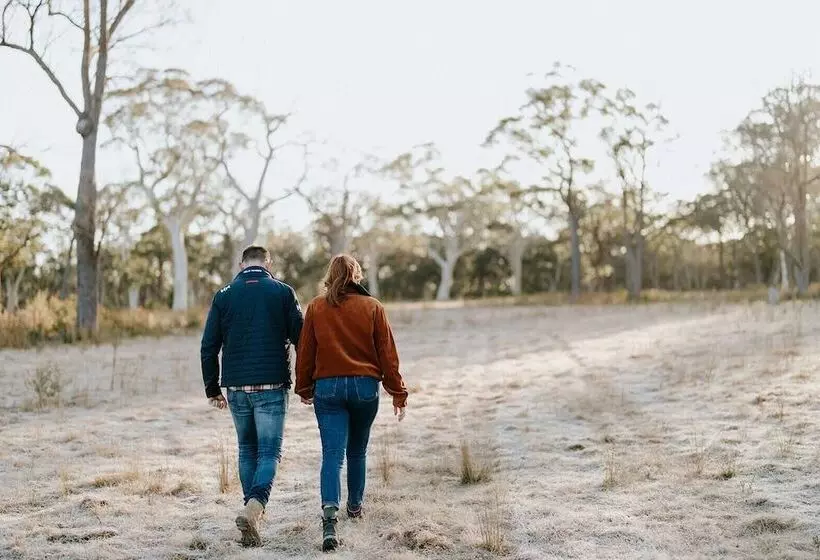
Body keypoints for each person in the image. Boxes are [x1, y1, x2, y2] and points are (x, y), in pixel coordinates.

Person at [296, 254, 408, 552]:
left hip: (328, 388)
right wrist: (398, 392)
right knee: (357, 451)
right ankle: (355, 508)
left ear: (330, 276)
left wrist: (304, 386)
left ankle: (330, 517)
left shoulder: (317, 307)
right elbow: (388, 354)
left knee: (332, 454)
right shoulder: (373, 307)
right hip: (364, 387)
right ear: (356, 276)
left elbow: (305, 351)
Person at [201, 245, 304, 547]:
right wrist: (306, 381)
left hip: (236, 388)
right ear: (268, 263)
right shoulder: (283, 292)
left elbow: (208, 347)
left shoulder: (223, 295)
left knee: (247, 449)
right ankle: (255, 507)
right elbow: (303, 339)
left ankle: (251, 514)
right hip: (272, 384)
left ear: (241, 264)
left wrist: (212, 388)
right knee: (270, 452)